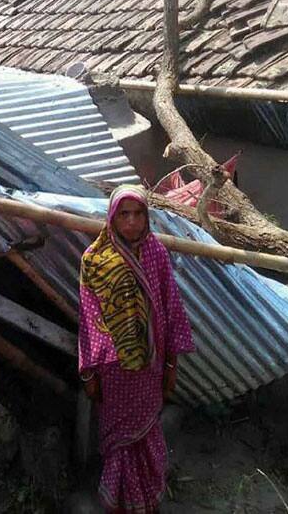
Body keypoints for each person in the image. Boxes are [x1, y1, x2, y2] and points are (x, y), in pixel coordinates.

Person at [78, 184, 195, 513]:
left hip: (150, 367)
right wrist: (89, 371)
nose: (131, 222)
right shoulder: (95, 260)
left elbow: (170, 307)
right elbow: (90, 319)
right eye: (124, 214)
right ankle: (119, 502)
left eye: (138, 213)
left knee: (146, 433)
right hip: (115, 371)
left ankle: (148, 498)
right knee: (120, 440)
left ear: (147, 216)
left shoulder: (156, 253)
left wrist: (171, 365)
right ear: (112, 218)